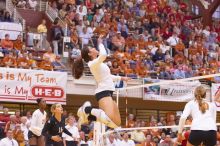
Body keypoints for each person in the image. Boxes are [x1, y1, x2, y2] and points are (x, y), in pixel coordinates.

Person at [73, 35, 129, 129]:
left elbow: (107, 76)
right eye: (92, 48)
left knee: (116, 123)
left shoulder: (98, 63)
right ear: (90, 54)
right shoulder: (92, 64)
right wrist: (100, 43)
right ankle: (86, 109)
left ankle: (88, 115)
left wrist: (121, 78)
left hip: (109, 91)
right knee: (109, 119)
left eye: (95, 47)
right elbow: (103, 55)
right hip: (103, 92)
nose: (95, 48)